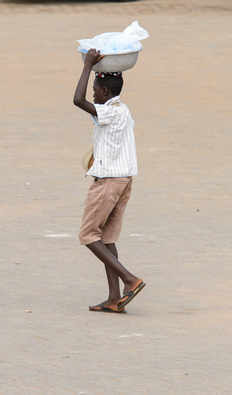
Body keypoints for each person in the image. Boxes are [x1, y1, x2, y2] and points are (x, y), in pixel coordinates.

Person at [73, 48, 146, 314]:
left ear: (104, 92)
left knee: (88, 235)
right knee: (107, 237)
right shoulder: (121, 109)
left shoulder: (109, 111)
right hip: (123, 179)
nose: (93, 92)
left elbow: (77, 100)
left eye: (95, 88)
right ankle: (114, 299)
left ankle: (130, 280)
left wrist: (87, 66)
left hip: (108, 182)